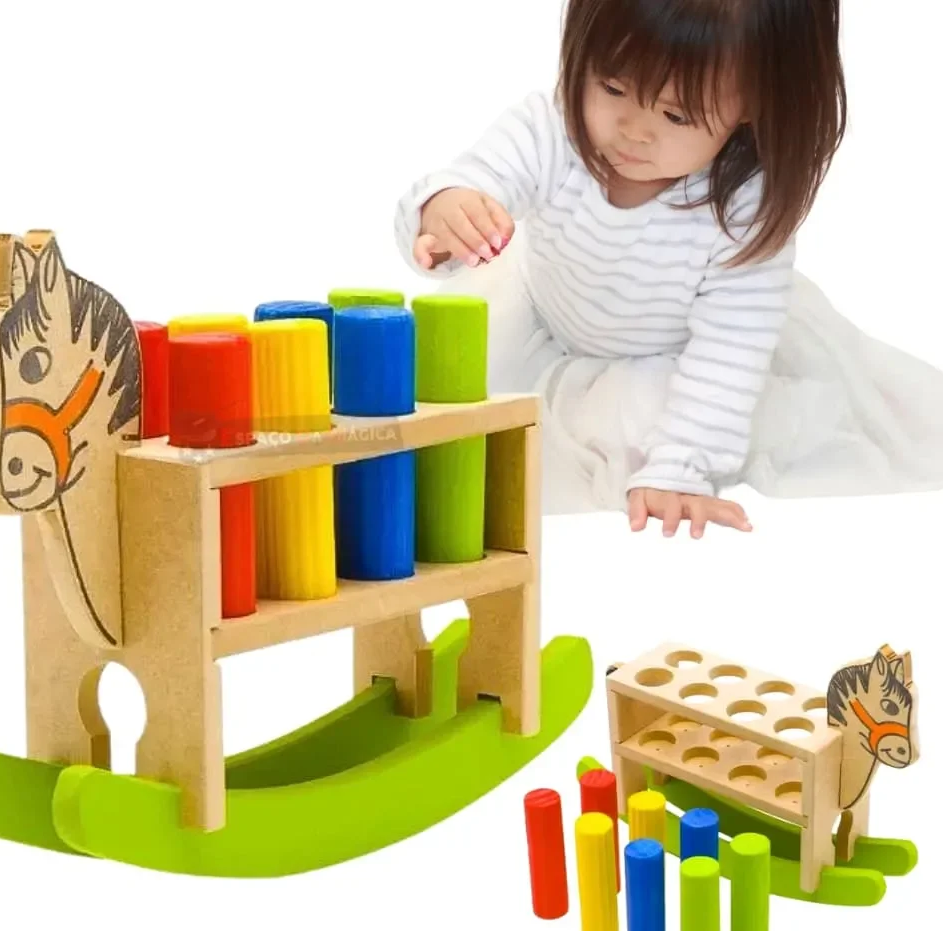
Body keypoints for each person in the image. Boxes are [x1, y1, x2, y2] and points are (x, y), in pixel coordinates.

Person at [393, 0, 943, 538]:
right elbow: (474, 180)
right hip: (537, 319)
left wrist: (682, 466)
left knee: (659, 432)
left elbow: (729, 349)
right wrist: (447, 215)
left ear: (752, 103)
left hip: (677, 358)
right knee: (433, 389)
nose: (633, 130)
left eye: (676, 115)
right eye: (613, 87)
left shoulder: (745, 209)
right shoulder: (551, 128)